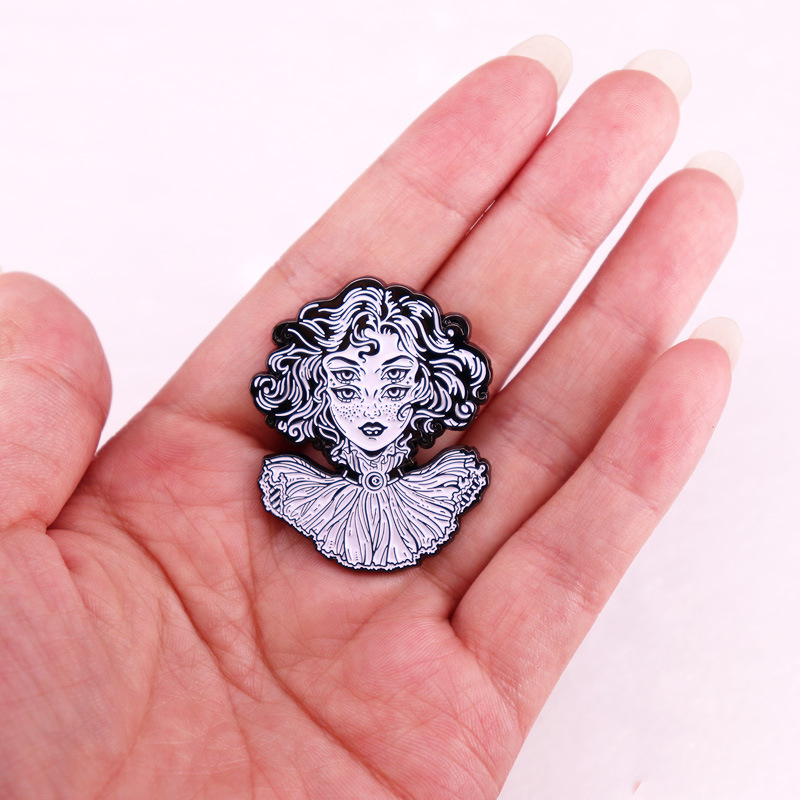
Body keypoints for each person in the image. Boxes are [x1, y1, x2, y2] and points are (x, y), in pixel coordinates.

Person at [0, 35, 741, 799]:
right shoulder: (292, 490)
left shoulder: (449, 487)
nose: (372, 405)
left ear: (429, 388)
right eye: (347, 381)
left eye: (395, 379)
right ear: (314, 392)